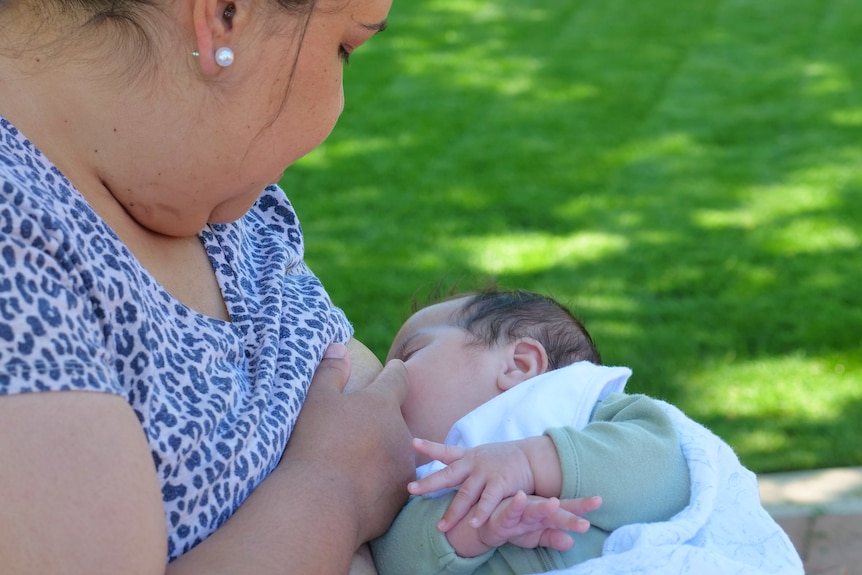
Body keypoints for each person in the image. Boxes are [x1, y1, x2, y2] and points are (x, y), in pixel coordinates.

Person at [0, 0, 417, 573]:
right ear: (225, 15)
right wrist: (332, 487)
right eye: (345, 47)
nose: (338, 104)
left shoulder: (220, 201)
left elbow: (387, 406)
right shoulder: (15, 251)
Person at [370, 289, 804, 575]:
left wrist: (529, 461)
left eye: (410, 352)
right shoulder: (428, 489)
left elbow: (668, 476)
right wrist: (468, 531)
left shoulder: (600, 417)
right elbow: (395, 564)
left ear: (518, 365)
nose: (388, 376)